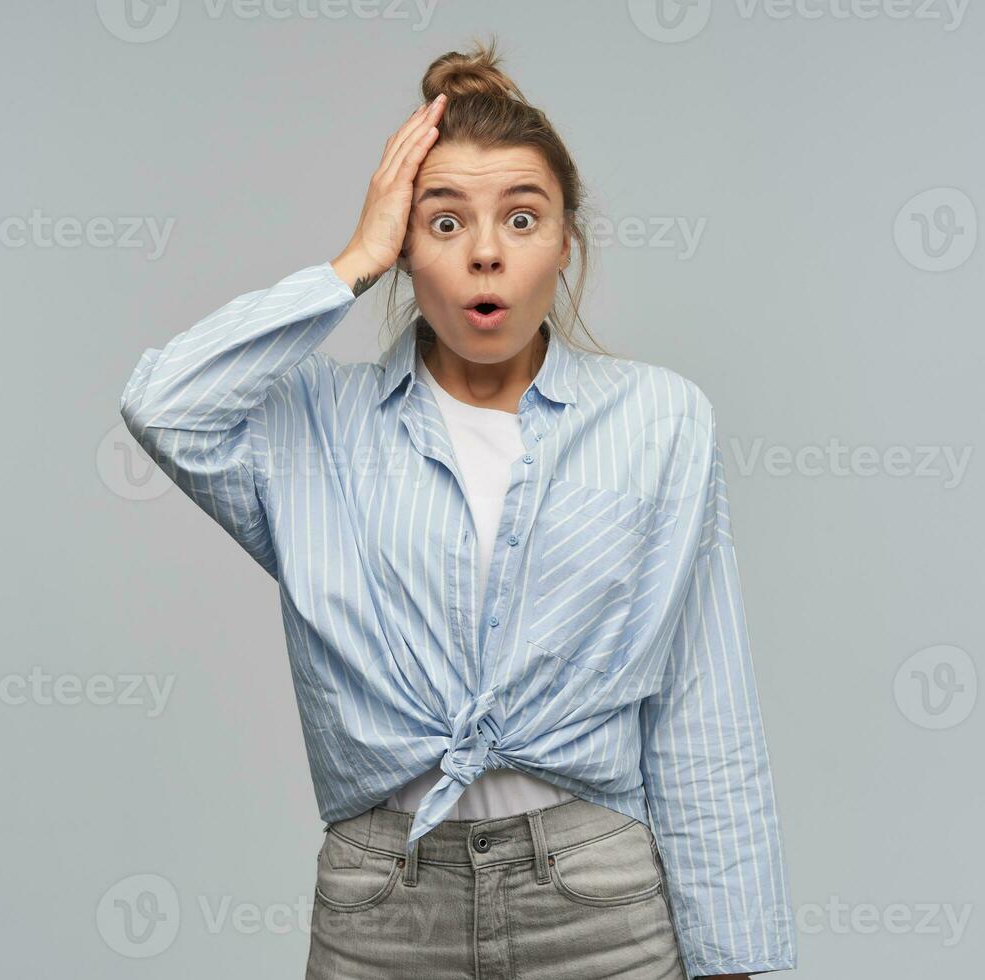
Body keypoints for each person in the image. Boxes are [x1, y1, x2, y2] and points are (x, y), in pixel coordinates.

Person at [119, 36, 795, 980]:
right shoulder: (319, 425)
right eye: (443, 224)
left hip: (600, 901)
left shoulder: (660, 419)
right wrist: (349, 262)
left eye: (522, 220)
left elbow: (700, 700)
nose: (485, 253)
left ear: (566, 242)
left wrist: (732, 960)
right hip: (382, 901)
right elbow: (165, 406)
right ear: (406, 251)